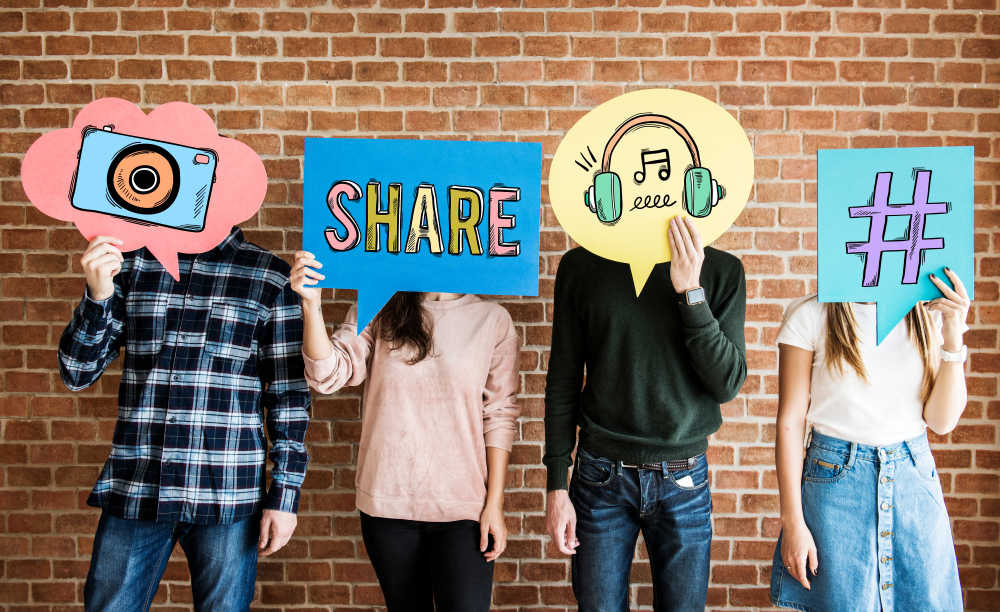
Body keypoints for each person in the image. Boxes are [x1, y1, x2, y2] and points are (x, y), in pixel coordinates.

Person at [60, 230, 311, 612]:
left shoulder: (270, 276)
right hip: (138, 485)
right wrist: (98, 296)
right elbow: (77, 372)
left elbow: (288, 398)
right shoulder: (131, 264)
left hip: (228, 494)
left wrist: (285, 496)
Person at [290, 250, 520, 612]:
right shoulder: (381, 305)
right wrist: (311, 305)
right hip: (388, 504)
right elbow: (327, 374)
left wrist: (495, 505)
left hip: (462, 509)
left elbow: (499, 415)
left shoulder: (493, 320)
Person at [544, 215, 748, 611]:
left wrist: (690, 291)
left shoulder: (722, 270)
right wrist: (556, 484)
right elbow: (562, 381)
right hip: (600, 476)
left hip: (683, 478)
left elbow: (727, 384)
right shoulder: (581, 267)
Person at [770, 268, 970, 612]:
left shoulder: (924, 314)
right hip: (835, 484)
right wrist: (793, 522)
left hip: (913, 479)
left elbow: (941, 421)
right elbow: (790, 420)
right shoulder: (811, 314)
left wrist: (953, 337)